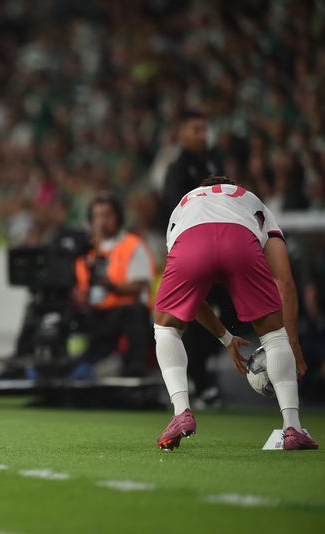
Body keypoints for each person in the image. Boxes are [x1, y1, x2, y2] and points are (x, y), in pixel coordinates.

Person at [154, 176, 317, 451]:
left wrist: (225, 338)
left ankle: (181, 412)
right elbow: (284, 280)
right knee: (274, 337)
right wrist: (292, 341)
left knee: (166, 327)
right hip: (240, 241)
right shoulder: (251, 200)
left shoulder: (184, 205)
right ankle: (293, 427)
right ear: (232, 186)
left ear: (203, 188)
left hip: (191, 240)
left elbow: (189, 301)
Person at [162, 110, 232, 409]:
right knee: (195, 316)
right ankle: (199, 382)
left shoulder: (215, 161)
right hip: (194, 253)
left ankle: (200, 376)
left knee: (228, 312)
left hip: (222, 250)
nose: (203, 135)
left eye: (205, 129)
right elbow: (176, 211)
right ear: (181, 134)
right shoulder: (177, 170)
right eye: (196, 129)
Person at [72, 193, 156, 378]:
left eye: (107, 215)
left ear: (118, 217)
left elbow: (139, 286)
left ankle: (135, 368)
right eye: (97, 216)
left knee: (134, 311)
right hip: (95, 313)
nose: (102, 221)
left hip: (122, 312)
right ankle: (66, 365)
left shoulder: (132, 244)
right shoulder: (84, 250)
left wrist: (111, 287)